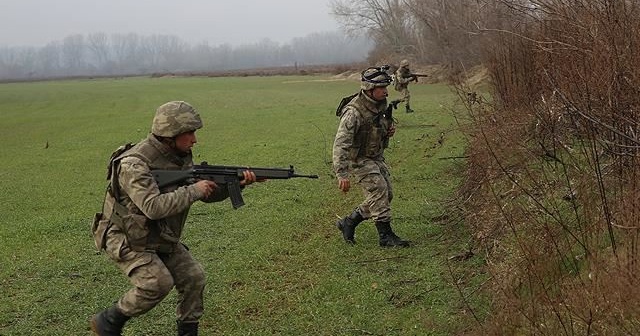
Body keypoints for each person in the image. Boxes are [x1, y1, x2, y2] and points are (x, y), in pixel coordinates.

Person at [90, 101, 259, 336]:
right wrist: (195, 190)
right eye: (189, 133)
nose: (194, 139)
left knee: (194, 277)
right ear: (170, 135)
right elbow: (153, 207)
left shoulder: (179, 154)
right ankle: (109, 320)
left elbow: (202, 192)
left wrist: (237, 184)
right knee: (157, 283)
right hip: (126, 236)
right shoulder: (134, 164)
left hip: (158, 233)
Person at [333, 66, 410, 247]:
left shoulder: (379, 104)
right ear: (369, 89)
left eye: (386, 87)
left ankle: (349, 222)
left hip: (375, 157)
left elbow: (379, 126)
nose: (385, 91)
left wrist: (388, 130)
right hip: (359, 159)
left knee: (386, 194)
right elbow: (341, 144)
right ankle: (385, 236)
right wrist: (342, 174)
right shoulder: (353, 112)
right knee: (379, 190)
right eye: (381, 88)